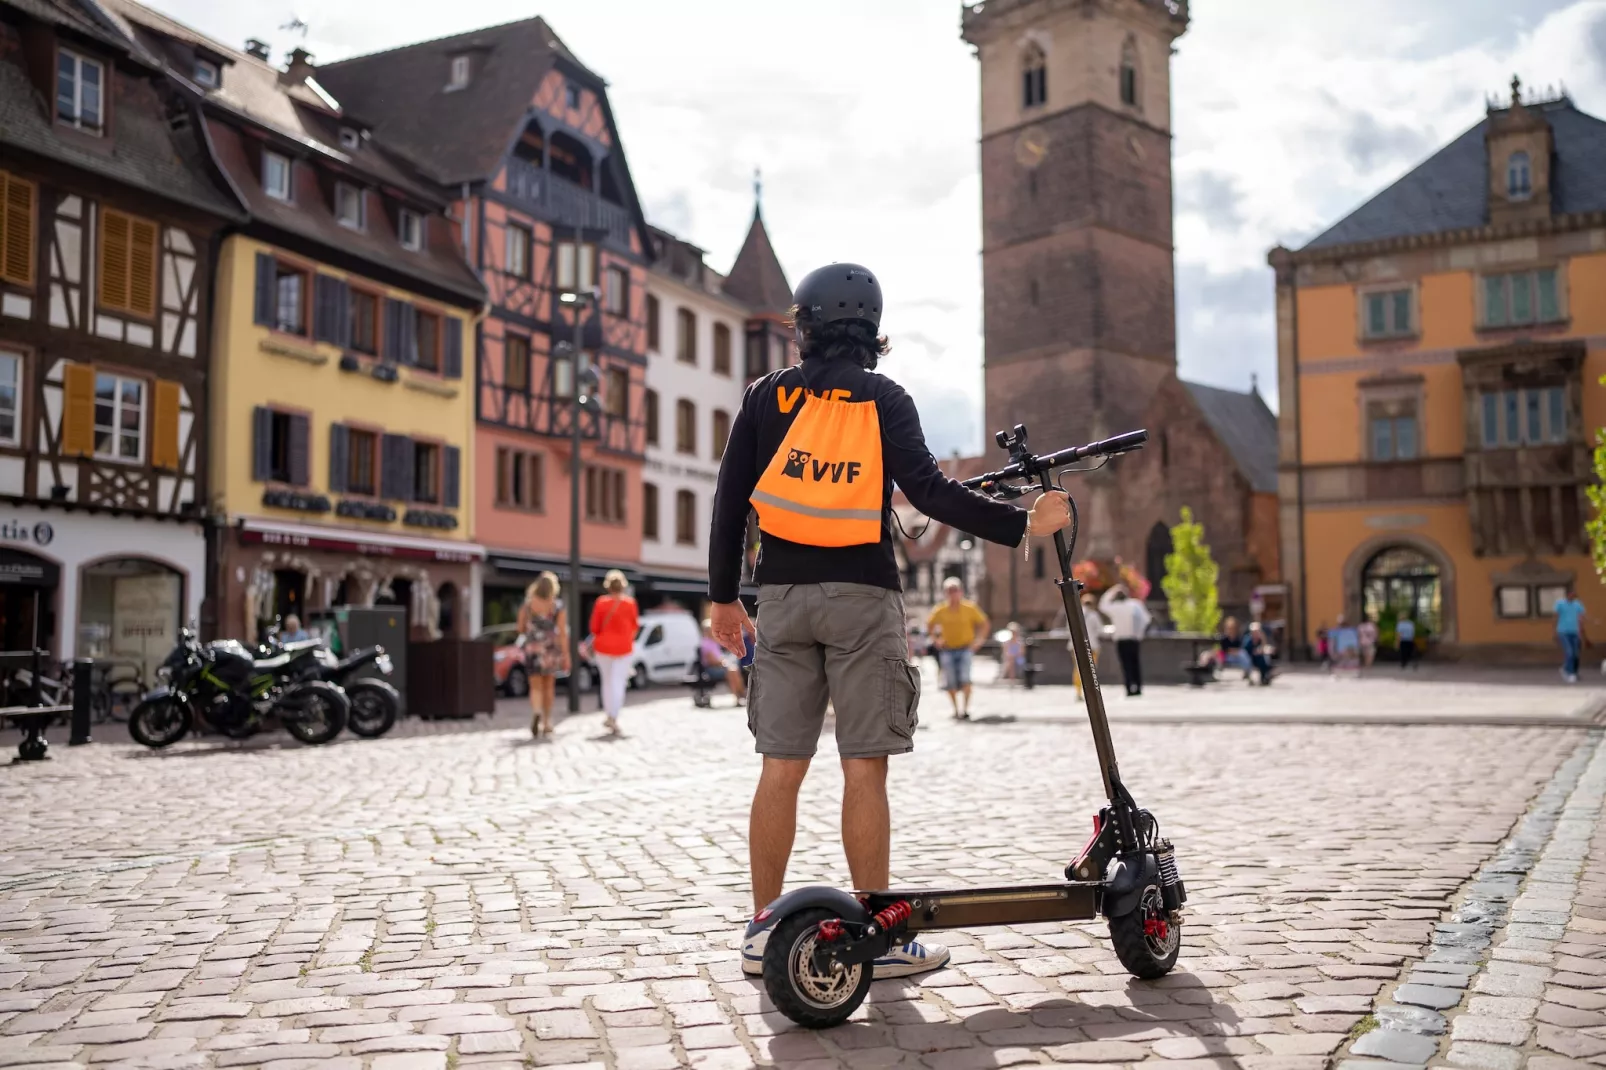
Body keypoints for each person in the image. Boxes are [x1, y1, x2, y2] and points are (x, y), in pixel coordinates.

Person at [705, 262, 1072, 980]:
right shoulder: (886, 399)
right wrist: (1024, 523)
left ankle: (761, 934)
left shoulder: (765, 398)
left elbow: (729, 500)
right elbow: (929, 494)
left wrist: (725, 598)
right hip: (864, 595)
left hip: (780, 596)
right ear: (872, 331)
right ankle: (878, 931)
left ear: (803, 327)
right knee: (863, 767)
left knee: (780, 767)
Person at [927, 578, 990, 719]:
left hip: (965, 648)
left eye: (955, 590)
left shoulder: (970, 608)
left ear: (961, 591)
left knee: (965, 678)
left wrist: (979, 641)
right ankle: (956, 709)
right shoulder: (940, 610)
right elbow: (929, 624)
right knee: (950, 681)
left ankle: (966, 709)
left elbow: (984, 623)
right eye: (949, 591)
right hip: (947, 649)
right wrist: (935, 639)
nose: (952, 593)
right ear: (945, 593)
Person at [516, 572, 568, 737]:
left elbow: (520, 628)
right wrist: (566, 654)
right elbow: (562, 633)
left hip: (533, 648)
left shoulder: (528, 605)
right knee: (549, 685)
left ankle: (536, 711)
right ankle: (547, 721)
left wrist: (532, 629)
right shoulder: (556, 606)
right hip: (550, 649)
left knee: (535, 685)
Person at [588, 570, 639, 735]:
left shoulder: (601, 603)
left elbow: (594, 627)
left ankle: (609, 715)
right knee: (618, 682)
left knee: (607, 682)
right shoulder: (630, 603)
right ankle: (614, 716)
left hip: (603, 648)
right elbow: (634, 627)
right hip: (624, 648)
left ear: (608, 586)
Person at [1099, 584, 1152, 696]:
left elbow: (1102, 605)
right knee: (1135, 663)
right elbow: (1146, 619)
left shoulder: (1115, 607)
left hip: (1121, 639)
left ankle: (1128, 687)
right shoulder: (1135, 604)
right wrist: (1140, 633)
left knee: (1125, 664)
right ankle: (1138, 687)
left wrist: (1111, 590)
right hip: (1134, 639)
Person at [698, 619, 747, 706]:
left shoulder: (713, 642)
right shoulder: (706, 644)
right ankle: (739, 696)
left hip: (718, 667)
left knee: (733, 670)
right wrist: (723, 663)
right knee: (731, 671)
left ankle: (741, 695)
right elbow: (712, 661)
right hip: (711, 669)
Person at [1554, 587, 1589, 684]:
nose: (1573, 596)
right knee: (1569, 652)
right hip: (1563, 631)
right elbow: (1556, 617)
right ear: (1568, 594)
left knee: (1575, 653)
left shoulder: (1577, 604)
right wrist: (1555, 631)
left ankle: (1568, 669)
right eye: (1572, 594)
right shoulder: (1560, 604)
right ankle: (1569, 673)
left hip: (1575, 632)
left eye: (1574, 595)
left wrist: (1590, 623)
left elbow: (1581, 617)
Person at [1071, 595, 1103, 699]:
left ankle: (1078, 691)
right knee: (1091, 669)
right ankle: (1091, 692)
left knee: (1077, 668)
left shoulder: (1074, 613)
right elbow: (1099, 630)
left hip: (1075, 645)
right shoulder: (1094, 615)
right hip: (1092, 645)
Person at [1245, 621, 1274, 686]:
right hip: (1250, 658)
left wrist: (1263, 638)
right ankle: (1266, 675)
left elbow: (1264, 647)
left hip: (1259, 658)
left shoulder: (1260, 639)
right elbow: (1247, 651)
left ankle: (1265, 676)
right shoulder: (1248, 640)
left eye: (1257, 632)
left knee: (1265, 658)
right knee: (1262, 660)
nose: (1256, 634)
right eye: (1255, 632)